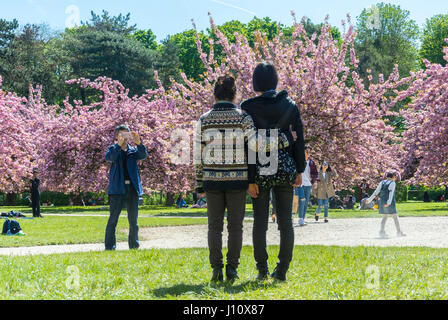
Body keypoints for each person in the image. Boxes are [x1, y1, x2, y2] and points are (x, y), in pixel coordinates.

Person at [241, 62, 306, 282]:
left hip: (259, 169)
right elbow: (299, 140)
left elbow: (247, 145)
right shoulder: (290, 104)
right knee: (286, 222)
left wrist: (249, 178)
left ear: (255, 82)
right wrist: (300, 169)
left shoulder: (248, 107)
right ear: (275, 80)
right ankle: (282, 271)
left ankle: (261, 269)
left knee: (259, 222)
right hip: (285, 168)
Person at [105, 124, 148, 251]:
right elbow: (109, 158)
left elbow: (143, 154)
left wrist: (139, 143)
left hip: (132, 189)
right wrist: (119, 145)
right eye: (122, 134)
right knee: (113, 220)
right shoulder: (112, 149)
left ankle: (134, 246)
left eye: (127, 134)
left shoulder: (133, 151)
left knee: (133, 221)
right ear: (117, 136)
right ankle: (110, 247)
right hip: (117, 190)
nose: (124, 137)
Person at [366, 172, 406, 238]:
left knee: (384, 217)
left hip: (382, 201)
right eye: (395, 176)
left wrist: (369, 200)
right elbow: (391, 193)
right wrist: (389, 202)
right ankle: (399, 232)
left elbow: (376, 192)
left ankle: (382, 232)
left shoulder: (382, 182)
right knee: (395, 217)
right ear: (393, 177)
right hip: (389, 202)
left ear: (387, 177)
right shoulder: (392, 183)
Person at [295, 146, 318, 226]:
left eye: (309, 152)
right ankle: (300, 218)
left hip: (308, 184)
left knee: (305, 202)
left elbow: (315, 173)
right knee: (302, 200)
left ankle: (302, 218)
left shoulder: (311, 162)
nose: (308, 153)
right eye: (306, 151)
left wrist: (314, 182)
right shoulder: (298, 160)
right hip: (299, 184)